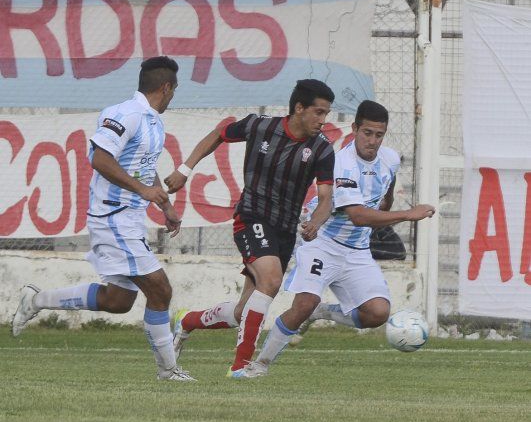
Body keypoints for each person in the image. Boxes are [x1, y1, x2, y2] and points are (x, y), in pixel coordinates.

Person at [11, 56, 195, 381]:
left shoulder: (152, 121)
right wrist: (142, 190)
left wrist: (164, 205)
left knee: (118, 301)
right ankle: (168, 370)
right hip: (112, 217)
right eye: (175, 90)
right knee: (160, 290)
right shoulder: (125, 113)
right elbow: (99, 158)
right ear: (166, 87)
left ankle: (36, 299)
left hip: (129, 219)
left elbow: (142, 165)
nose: (173, 96)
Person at [242, 100, 435, 377]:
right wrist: (408, 214)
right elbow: (357, 215)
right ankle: (259, 365)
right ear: (355, 129)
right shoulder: (342, 164)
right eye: (367, 133)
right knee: (303, 303)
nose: (372, 140)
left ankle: (322, 313)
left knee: (377, 313)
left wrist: (387, 205)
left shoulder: (389, 158)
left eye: (379, 135)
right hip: (322, 241)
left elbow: (387, 184)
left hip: (356, 250)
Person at [164, 79, 336, 378]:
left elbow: (326, 199)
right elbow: (219, 133)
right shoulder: (260, 127)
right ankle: (241, 367)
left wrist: (316, 221)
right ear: (299, 108)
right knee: (270, 280)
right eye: (318, 112)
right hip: (251, 218)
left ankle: (188, 321)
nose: (323, 120)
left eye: (326, 114)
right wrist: (185, 169)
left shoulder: (321, 149)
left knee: (243, 313)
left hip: (283, 232)